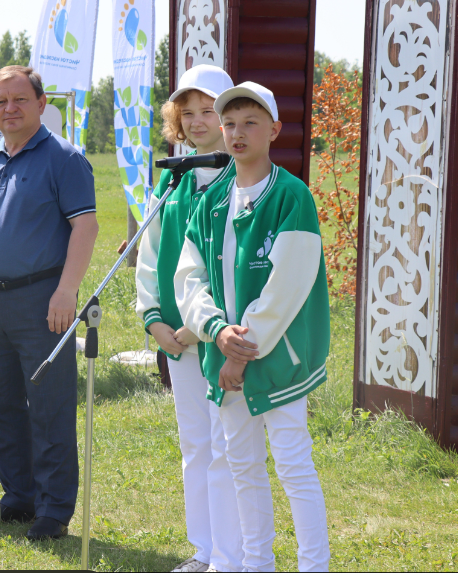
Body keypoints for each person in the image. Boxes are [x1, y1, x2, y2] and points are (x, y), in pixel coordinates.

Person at [175, 82, 331, 571]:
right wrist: (216, 331)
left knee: (292, 465)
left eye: (250, 123)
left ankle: (313, 566)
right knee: (243, 468)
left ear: (275, 130)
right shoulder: (211, 201)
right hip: (224, 355)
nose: (237, 133)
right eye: (230, 124)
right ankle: (256, 565)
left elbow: (288, 285)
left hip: (278, 360)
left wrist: (241, 350)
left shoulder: (292, 197)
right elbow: (190, 277)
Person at [0, 66, 99, 540]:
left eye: (19, 100)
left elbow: (85, 228)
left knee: (49, 406)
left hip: (42, 299)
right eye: (0, 101)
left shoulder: (65, 159)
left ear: (41, 102)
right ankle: (19, 496)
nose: (9, 109)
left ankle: (53, 511)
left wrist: (66, 291)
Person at [135, 65, 244, 573]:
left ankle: (232, 556)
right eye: (189, 112)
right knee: (195, 445)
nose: (198, 122)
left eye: (209, 110)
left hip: (221, 339)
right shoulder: (171, 180)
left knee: (228, 448)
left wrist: (202, 326)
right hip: (175, 340)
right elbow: (150, 256)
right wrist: (155, 321)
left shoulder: (241, 179)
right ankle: (203, 551)